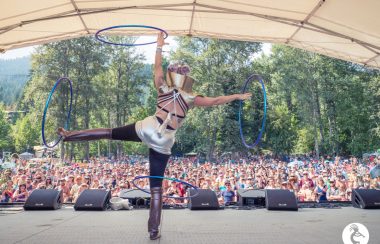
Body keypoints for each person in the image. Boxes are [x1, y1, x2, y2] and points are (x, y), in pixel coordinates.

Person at [57, 32, 251, 240]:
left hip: (149, 127)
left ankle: (69, 136)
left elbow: (157, 67)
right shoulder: (191, 97)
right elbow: (215, 101)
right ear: (186, 78)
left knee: (109, 132)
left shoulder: (163, 88)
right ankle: (153, 230)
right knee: (156, 188)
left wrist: (159, 47)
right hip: (165, 140)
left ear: (172, 74)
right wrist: (237, 96)